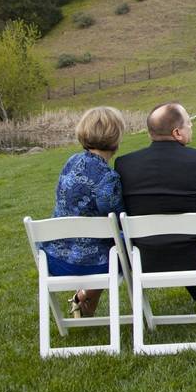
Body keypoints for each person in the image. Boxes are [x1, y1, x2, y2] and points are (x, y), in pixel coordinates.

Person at [115, 102, 196, 302]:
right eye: (189, 123)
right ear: (177, 133)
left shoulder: (125, 165)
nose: (192, 126)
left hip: (145, 257)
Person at [42, 106, 126, 318]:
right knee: (127, 244)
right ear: (116, 137)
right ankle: (86, 298)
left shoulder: (71, 162)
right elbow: (118, 220)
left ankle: (85, 301)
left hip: (55, 260)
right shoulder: (108, 178)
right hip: (92, 265)